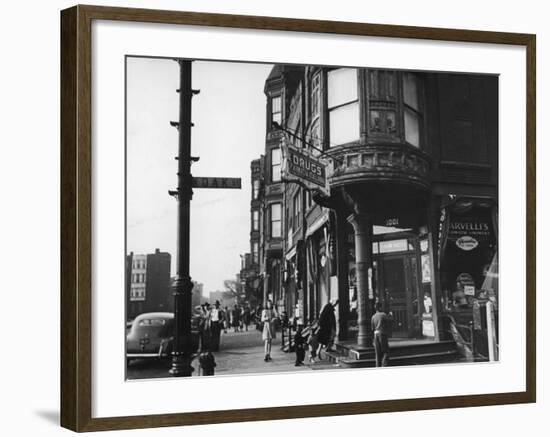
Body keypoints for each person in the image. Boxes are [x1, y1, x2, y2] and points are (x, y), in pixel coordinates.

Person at [371, 302, 392, 367]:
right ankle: (384, 366)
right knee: (386, 352)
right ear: (380, 307)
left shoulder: (373, 316)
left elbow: (372, 328)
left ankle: (378, 367)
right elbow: (389, 321)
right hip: (382, 334)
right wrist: (390, 315)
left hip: (375, 335)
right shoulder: (383, 314)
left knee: (377, 353)